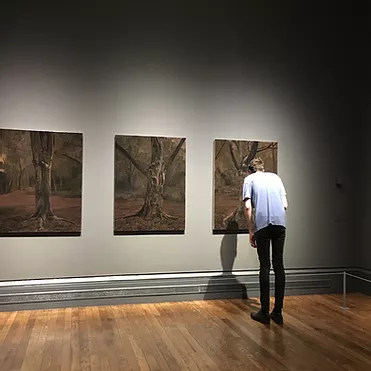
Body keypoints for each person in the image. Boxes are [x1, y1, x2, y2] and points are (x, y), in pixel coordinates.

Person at [242, 157, 288, 325]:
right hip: (280, 225)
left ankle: (264, 311)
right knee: (279, 265)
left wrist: (250, 230)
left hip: (262, 225)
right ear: (262, 168)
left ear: (250, 170)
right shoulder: (276, 178)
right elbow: (285, 205)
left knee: (265, 267)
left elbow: (248, 207)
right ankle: (278, 312)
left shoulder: (249, 180)